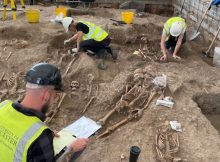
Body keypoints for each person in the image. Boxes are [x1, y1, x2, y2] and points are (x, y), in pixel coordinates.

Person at [0, 63, 89, 162]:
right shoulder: (40, 138)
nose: (53, 101)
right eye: (54, 96)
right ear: (46, 95)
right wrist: (71, 149)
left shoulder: (3, 106)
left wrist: (43, 136)